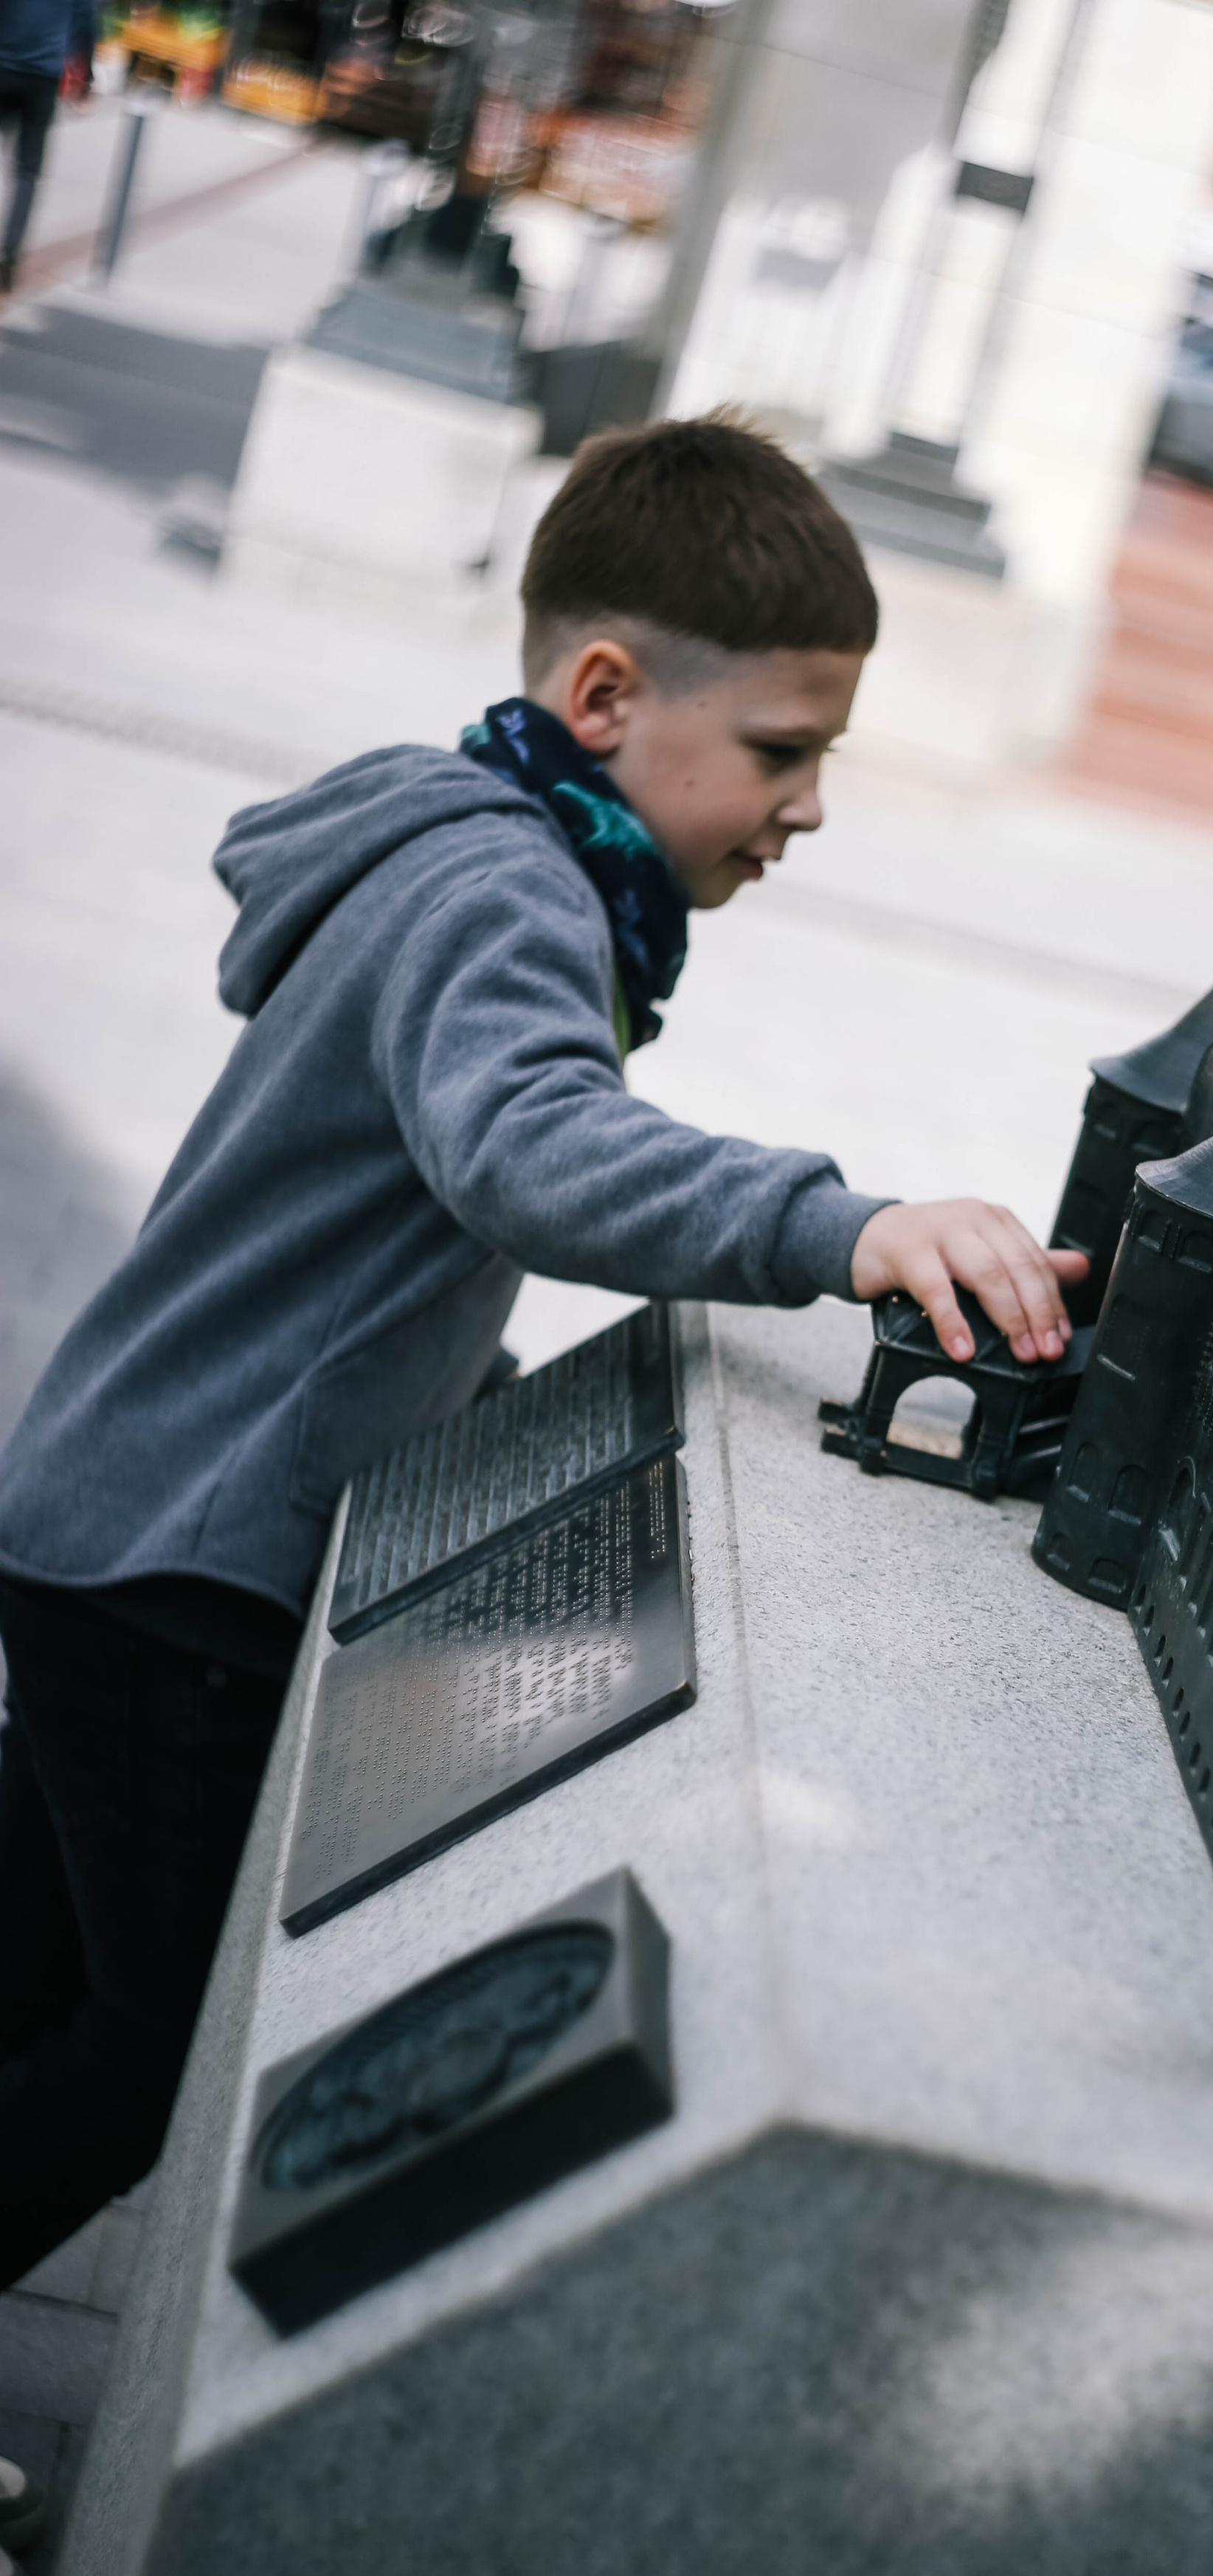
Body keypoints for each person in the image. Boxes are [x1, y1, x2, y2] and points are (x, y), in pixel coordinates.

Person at [0, 415, 1088, 2293]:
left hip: (113, 1509)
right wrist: (849, 1227)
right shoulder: (509, 889)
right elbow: (530, 1153)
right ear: (602, 693)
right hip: (189, 1563)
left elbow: (378, 1226)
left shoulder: (465, 853)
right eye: (779, 747)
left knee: (37, 1966)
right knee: (135, 2069)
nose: (809, 804)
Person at [0, 0, 91, 295]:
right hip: (42, 78)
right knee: (27, 172)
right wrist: (86, 73)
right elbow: (85, 23)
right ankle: (8, 255)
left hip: (3, 65)